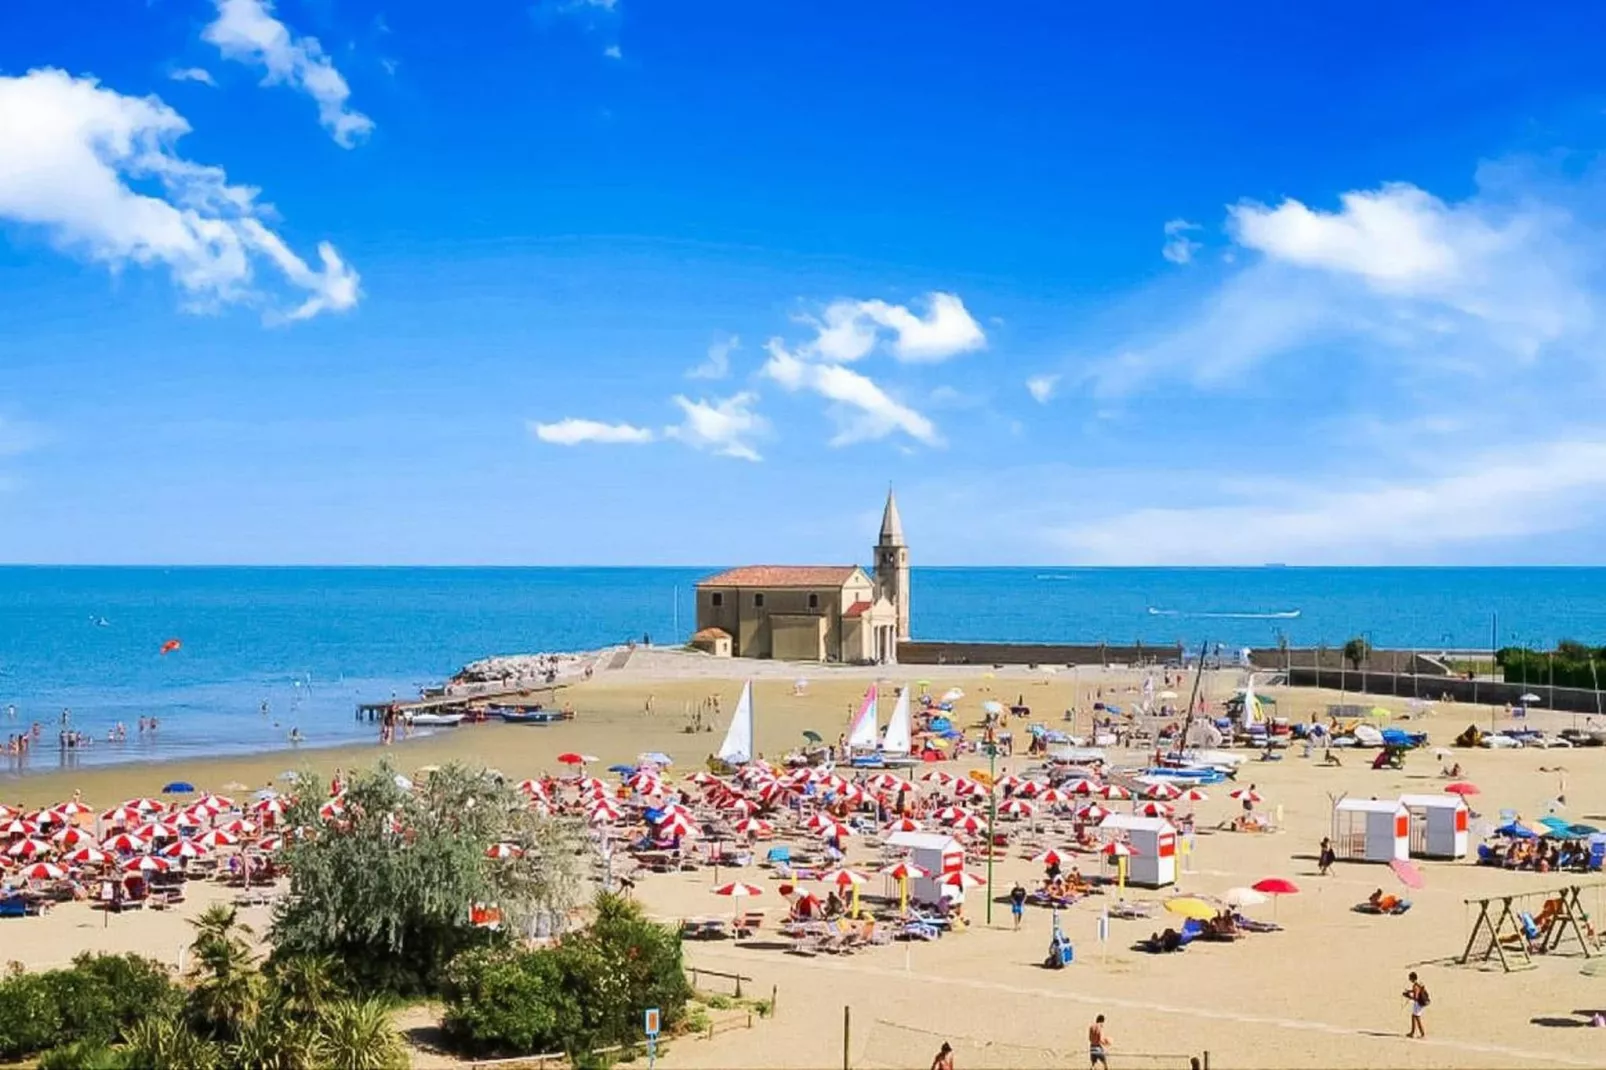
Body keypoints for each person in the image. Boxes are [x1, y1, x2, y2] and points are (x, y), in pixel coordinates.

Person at [1402, 971, 1428, 1038]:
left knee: (1417, 1018)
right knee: (1414, 1017)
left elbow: (1416, 997)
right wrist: (1409, 991)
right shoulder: (1419, 984)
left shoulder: (1415, 986)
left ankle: (1422, 1033)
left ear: (1412, 978)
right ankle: (1412, 1032)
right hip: (1420, 1003)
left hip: (1418, 1004)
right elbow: (1416, 991)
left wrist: (1408, 996)